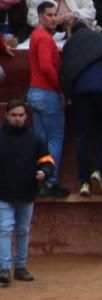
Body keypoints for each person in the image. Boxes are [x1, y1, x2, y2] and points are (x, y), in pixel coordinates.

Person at [60, 21, 102, 196]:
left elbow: (65, 70)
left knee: (82, 134)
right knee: (100, 130)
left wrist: (66, 95)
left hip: (81, 90)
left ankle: (84, 182)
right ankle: (97, 171)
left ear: (72, 33)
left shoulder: (70, 43)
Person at [0, 98, 52, 286]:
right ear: (6, 116)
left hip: (26, 192)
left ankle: (20, 267)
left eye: (21, 115)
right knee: (5, 229)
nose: (18, 118)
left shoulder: (34, 138)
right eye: (14, 115)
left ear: (26, 116)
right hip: (3, 192)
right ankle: (5, 268)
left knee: (22, 230)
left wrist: (43, 172)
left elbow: (47, 160)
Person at [27, 1, 67, 198]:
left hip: (35, 93)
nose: (53, 18)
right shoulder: (44, 37)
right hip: (47, 93)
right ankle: (50, 182)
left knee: (41, 140)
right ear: (41, 16)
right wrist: (60, 89)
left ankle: (40, 181)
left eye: (55, 15)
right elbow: (46, 66)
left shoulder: (36, 35)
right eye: (49, 15)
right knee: (55, 139)